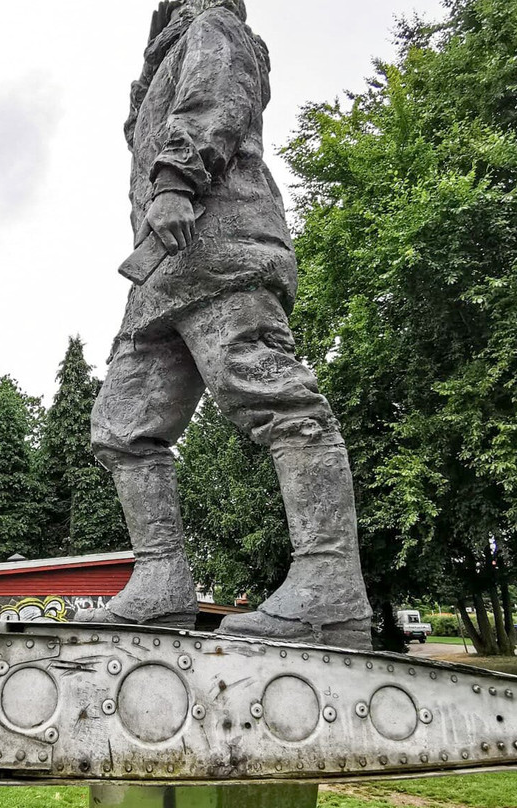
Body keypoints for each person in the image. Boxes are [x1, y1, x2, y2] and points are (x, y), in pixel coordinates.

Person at [76, 0, 372, 648]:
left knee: (272, 395)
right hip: (163, 272)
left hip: (225, 246)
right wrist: (147, 81)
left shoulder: (215, 28)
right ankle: (160, 582)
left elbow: (213, 101)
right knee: (122, 424)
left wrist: (176, 181)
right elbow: (143, 131)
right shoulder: (166, 58)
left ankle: (329, 586)